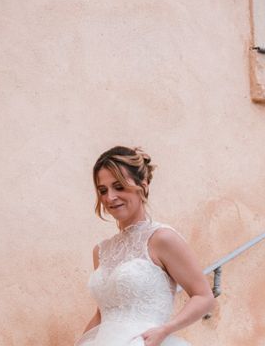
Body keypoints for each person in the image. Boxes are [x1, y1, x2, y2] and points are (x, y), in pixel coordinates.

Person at [75, 146, 215, 346]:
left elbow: (204, 296)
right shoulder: (101, 251)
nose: (110, 197)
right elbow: (102, 313)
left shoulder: (162, 239)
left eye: (119, 186)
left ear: (144, 184)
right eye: (103, 190)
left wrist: (165, 330)